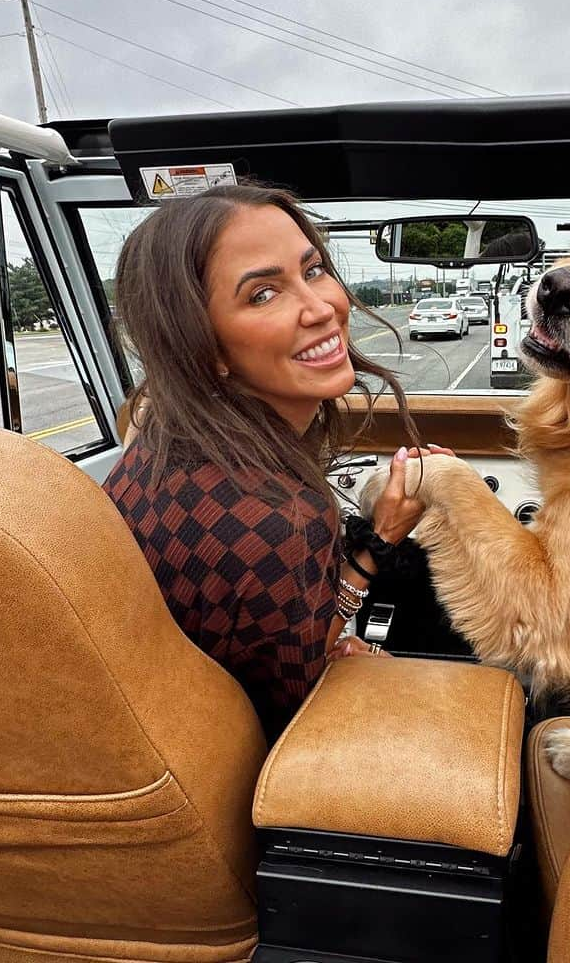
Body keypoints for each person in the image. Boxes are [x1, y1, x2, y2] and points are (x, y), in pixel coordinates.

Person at [103, 183, 444, 739]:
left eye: (312, 271)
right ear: (204, 347)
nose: (323, 308)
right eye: (263, 294)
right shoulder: (277, 518)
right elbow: (304, 695)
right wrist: (379, 542)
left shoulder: (157, 436)